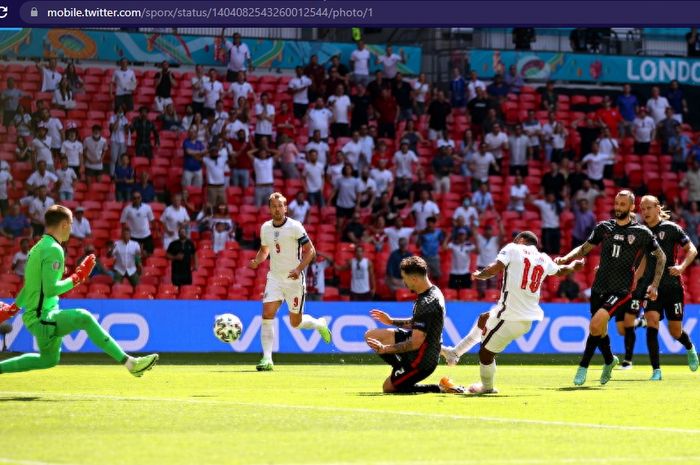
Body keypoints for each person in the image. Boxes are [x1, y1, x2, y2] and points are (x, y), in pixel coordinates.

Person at [0, 205, 158, 376]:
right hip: (42, 317)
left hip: (39, 316)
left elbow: (29, 286)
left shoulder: (36, 248)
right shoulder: (54, 249)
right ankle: (130, 363)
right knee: (84, 317)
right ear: (64, 224)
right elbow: (51, 289)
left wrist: (14, 308)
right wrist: (77, 278)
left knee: (49, 360)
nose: (72, 228)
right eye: (71, 223)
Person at [441, 232, 584, 394]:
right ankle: (455, 353)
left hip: (510, 315)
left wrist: (481, 275)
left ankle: (487, 387)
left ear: (521, 240)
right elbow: (560, 271)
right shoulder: (543, 257)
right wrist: (574, 266)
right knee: (484, 319)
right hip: (524, 316)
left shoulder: (513, 248)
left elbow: (495, 268)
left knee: (485, 353)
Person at [555, 190, 666, 386]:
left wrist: (654, 284)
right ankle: (609, 360)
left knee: (595, 324)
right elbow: (584, 248)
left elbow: (661, 257)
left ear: (632, 207)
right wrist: (566, 258)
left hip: (621, 290)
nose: (618, 208)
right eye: (616, 203)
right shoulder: (604, 227)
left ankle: (583, 367)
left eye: (623, 204)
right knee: (600, 329)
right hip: (599, 286)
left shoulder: (641, 233)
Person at [247, 193, 331, 371]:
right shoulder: (266, 228)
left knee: (295, 323)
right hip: (275, 278)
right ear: (269, 208)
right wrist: (256, 261)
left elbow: (311, 251)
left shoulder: (295, 227)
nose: (277, 209)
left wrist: (299, 269)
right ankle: (267, 359)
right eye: (274, 206)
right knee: (267, 314)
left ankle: (319, 324)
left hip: (294, 280)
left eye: (280, 206)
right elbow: (264, 250)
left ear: (286, 208)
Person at [364, 256, 464, 394]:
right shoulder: (432, 291)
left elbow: (415, 343)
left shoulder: (427, 303)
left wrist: (385, 349)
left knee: (388, 388)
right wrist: (391, 321)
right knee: (371, 335)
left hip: (422, 360)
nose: (403, 282)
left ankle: (439, 388)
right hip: (419, 346)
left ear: (414, 279)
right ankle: (401, 369)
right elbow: (417, 323)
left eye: (404, 278)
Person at [634, 196, 698, 378]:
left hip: (672, 286)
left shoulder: (671, 228)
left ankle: (689, 347)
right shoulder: (642, 231)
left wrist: (681, 267)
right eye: (642, 208)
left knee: (675, 330)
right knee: (652, 322)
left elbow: (692, 250)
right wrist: (634, 279)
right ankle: (656, 370)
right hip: (651, 287)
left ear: (657, 208)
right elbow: (645, 259)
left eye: (648, 208)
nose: (644, 212)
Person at [120, 192, 155, 257]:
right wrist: (125, 233)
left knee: (148, 254)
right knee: (133, 255)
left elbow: (152, 220)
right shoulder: (127, 209)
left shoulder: (147, 207)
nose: (137, 200)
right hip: (133, 236)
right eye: (134, 198)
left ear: (141, 198)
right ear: (132, 199)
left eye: (138, 198)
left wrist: (155, 232)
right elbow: (123, 222)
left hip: (146, 235)